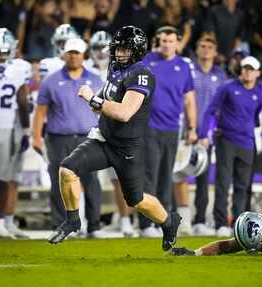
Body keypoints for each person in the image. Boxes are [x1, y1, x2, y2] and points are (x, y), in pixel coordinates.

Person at [47, 26, 182, 251]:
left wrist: (93, 100)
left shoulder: (142, 74)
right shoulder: (116, 66)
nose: (118, 53)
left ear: (137, 51)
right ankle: (72, 220)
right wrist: (99, 96)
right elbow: (109, 90)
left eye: (124, 49)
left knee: (136, 200)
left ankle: (169, 222)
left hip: (128, 147)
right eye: (117, 48)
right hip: (104, 139)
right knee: (67, 170)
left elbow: (124, 113)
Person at [33, 37, 104, 237]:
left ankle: (94, 226)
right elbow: (40, 112)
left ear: (83, 55)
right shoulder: (51, 81)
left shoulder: (96, 78)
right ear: (64, 54)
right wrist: (36, 136)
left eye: (77, 53)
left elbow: (103, 110)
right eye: (70, 52)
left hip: (89, 137)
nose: (73, 56)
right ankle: (61, 224)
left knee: (92, 182)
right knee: (59, 183)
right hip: (58, 139)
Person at [198, 56, 262, 237]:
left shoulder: (260, 93)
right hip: (226, 140)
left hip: (247, 143)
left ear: (258, 73)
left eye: (251, 69)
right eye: (244, 68)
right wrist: (204, 134)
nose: (247, 72)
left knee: (243, 186)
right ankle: (221, 223)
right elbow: (210, 110)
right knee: (223, 183)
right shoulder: (227, 87)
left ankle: (239, 224)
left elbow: (255, 118)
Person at [140, 25, 197, 238]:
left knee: (166, 178)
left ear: (177, 42)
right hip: (149, 128)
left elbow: (189, 99)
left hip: (173, 129)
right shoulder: (146, 61)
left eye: (171, 41)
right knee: (149, 177)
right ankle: (146, 225)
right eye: (163, 40)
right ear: (158, 41)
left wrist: (192, 127)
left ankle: (162, 222)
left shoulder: (183, 66)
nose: (167, 44)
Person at [173, 34, 227, 236]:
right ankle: (178, 219)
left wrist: (209, 133)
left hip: (206, 135)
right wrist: (188, 129)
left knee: (204, 178)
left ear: (214, 52)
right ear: (196, 50)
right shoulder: (188, 70)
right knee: (179, 176)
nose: (205, 50)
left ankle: (200, 220)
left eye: (209, 47)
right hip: (184, 132)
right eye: (201, 46)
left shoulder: (220, 75)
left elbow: (220, 108)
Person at [84, 30, 135, 237]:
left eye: (105, 49)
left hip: (115, 129)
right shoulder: (85, 69)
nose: (101, 53)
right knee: (87, 178)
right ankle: (89, 222)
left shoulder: (123, 70)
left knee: (120, 179)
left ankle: (124, 220)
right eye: (97, 48)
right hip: (91, 127)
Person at [0, 28, 30, 239]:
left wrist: (25, 131)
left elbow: (23, 103)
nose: (2, 57)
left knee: (3, 178)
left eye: (5, 53)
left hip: (6, 128)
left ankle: (0, 222)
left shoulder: (18, 71)